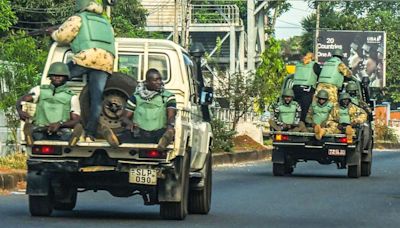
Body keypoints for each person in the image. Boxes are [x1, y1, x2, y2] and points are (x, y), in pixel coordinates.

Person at [51, 0, 116, 143]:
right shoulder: (106, 22)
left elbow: (63, 36)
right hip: (106, 62)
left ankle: (57, 118)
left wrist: (53, 33)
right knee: (96, 100)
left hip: (86, 57)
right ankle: (90, 134)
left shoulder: (78, 18)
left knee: (58, 76)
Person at [16, 62, 82, 146]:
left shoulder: (72, 97)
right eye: (54, 75)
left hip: (60, 130)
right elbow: (23, 99)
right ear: (50, 77)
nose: (57, 77)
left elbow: (76, 120)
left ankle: (73, 137)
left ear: (66, 78)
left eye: (60, 76)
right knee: (36, 133)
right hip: (41, 129)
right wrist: (19, 110)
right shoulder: (39, 90)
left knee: (67, 134)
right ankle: (29, 133)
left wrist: (60, 124)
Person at [119, 69, 177, 150]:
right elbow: (124, 118)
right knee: (125, 135)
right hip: (139, 132)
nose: (159, 82)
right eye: (155, 80)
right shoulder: (136, 97)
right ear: (147, 83)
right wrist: (131, 124)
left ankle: (165, 140)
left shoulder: (168, 96)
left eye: (160, 79)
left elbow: (171, 115)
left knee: (164, 134)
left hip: (158, 132)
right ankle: (115, 140)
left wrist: (170, 126)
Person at [292, 52, 321, 122]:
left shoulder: (298, 65)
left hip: (295, 89)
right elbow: (320, 75)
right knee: (305, 110)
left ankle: (294, 123)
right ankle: (302, 124)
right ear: (312, 58)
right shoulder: (314, 65)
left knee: (295, 109)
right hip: (307, 90)